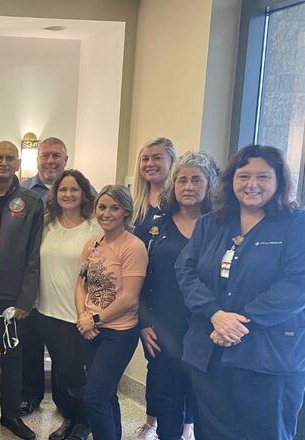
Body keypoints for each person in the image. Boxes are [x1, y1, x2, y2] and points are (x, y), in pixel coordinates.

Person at [176, 145, 305, 440]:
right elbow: (185, 270)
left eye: (263, 176)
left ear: (279, 181)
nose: (252, 184)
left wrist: (238, 322)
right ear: (231, 180)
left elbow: (297, 284)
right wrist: (215, 314)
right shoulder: (211, 223)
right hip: (209, 351)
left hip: (268, 357)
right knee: (213, 432)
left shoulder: (296, 225)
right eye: (243, 175)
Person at [136, 152, 217, 440]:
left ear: (210, 185)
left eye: (197, 179)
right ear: (173, 185)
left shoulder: (220, 227)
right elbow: (139, 280)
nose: (189, 186)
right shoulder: (155, 226)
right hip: (162, 331)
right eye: (182, 179)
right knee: (167, 401)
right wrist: (143, 323)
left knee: (202, 403)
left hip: (206, 331)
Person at [0, 141, 42, 440]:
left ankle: (12, 416)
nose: (3, 163)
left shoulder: (30, 202)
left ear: (18, 164)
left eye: (9, 158)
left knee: (12, 355)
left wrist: (25, 300)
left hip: (10, 297)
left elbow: (33, 255)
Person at [75, 185, 147, 440]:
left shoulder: (133, 247)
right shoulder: (92, 244)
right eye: (102, 207)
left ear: (125, 211)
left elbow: (129, 298)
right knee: (105, 395)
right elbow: (81, 284)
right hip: (91, 330)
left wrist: (94, 319)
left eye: (114, 208)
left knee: (94, 397)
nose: (107, 213)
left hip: (119, 333)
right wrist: (83, 319)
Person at [36, 170, 100, 440]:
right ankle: (70, 418)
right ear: (55, 194)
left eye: (74, 189)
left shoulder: (95, 226)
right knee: (62, 374)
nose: (68, 194)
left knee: (77, 375)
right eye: (63, 190)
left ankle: (82, 422)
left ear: (84, 193)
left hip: (78, 314)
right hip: (47, 311)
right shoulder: (47, 225)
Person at [129, 137, 177, 440]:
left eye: (157, 158)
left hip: (173, 299)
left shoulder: (180, 206)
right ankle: (151, 421)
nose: (150, 164)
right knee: (155, 362)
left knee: (178, 367)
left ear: (171, 162)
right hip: (142, 299)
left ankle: (184, 427)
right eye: (145, 159)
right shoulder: (135, 207)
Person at [19, 136, 68, 416]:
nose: (51, 161)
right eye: (46, 155)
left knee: (63, 347)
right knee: (30, 344)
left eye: (56, 156)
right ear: (37, 159)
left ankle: (65, 400)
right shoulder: (23, 190)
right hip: (30, 281)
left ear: (66, 160)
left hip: (63, 282)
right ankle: (30, 395)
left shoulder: (79, 190)